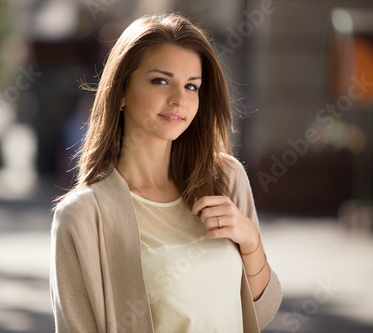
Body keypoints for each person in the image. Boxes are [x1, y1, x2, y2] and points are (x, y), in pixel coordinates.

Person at [50, 13, 282, 333]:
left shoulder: (225, 179)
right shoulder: (83, 215)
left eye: (191, 86)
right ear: (120, 92)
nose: (179, 100)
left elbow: (261, 311)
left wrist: (251, 243)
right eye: (160, 80)